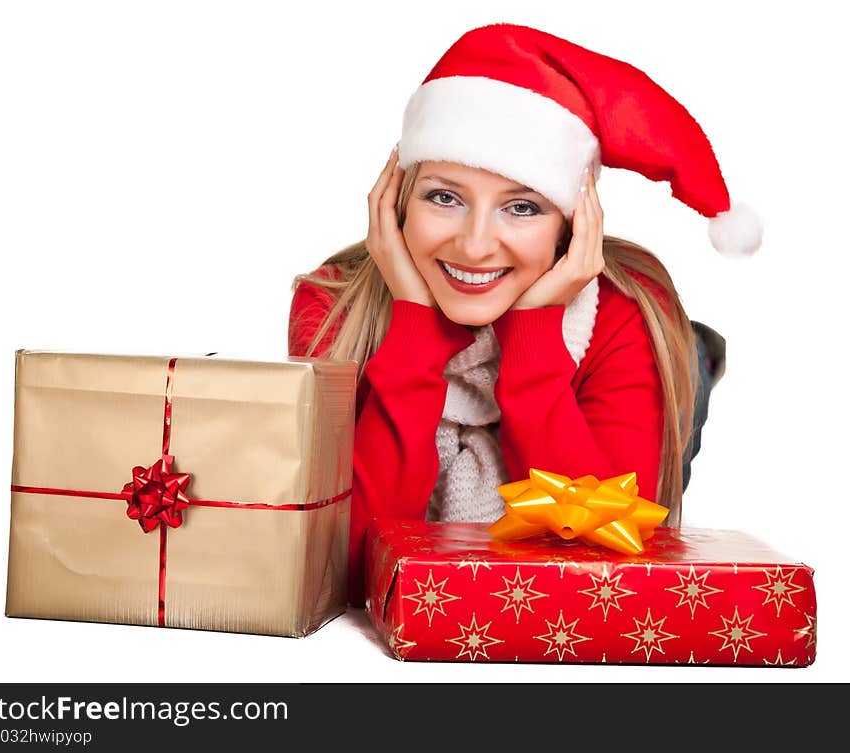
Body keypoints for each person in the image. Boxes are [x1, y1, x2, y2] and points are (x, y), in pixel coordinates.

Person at [288, 23, 761, 607]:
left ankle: (698, 359)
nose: (475, 245)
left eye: (522, 207)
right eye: (444, 197)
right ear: (395, 198)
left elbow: (604, 559)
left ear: (571, 223)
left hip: (621, 373)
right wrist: (413, 323)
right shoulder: (335, 303)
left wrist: (533, 338)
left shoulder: (627, 312)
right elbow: (345, 568)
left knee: (678, 352)